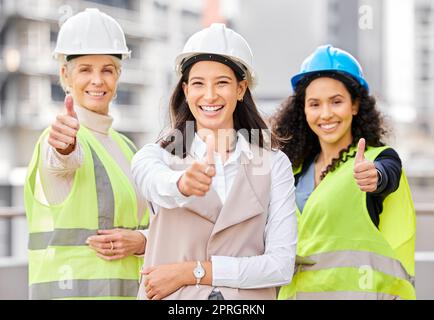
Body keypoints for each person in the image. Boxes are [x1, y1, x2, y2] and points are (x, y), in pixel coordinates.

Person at [132, 23, 297, 300]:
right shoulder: (156, 156)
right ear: (185, 90)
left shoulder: (274, 164)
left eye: (222, 82)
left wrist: (195, 272)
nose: (209, 96)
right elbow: (153, 182)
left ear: (241, 89)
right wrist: (182, 184)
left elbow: (280, 265)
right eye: (198, 84)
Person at [271, 45, 416, 300]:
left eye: (336, 102)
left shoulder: (378, 159)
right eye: (314, 104)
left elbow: (387, 175)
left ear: (355, 105)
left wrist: (375, 177)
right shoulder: (291, 172)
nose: (325, 114)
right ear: (303, 111)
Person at [24, 8, 147, 300]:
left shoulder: (128, 149)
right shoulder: (56, 140)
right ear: (64, 75)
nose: (97, 80)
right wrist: (63, 147)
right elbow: (62, 162)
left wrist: (142, 241)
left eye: (107, 69)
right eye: (85, 69)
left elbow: (152, 225)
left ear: (118, 76)